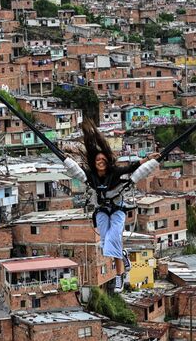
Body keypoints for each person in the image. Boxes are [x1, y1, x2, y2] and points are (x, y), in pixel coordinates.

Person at [78, 118, 160, 292]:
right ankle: (123, 256)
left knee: (113, 239)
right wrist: (66, 159)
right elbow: (77, 172)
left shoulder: (114, 173)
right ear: (94, 163)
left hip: (117, 210)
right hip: (101, 211)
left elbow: (131, 168)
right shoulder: (91, 175)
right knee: (105, 244)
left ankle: (119, 277)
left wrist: (147, 159)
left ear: (107, 162)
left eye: (103, 159)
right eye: (97, 160)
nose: (100, 162)